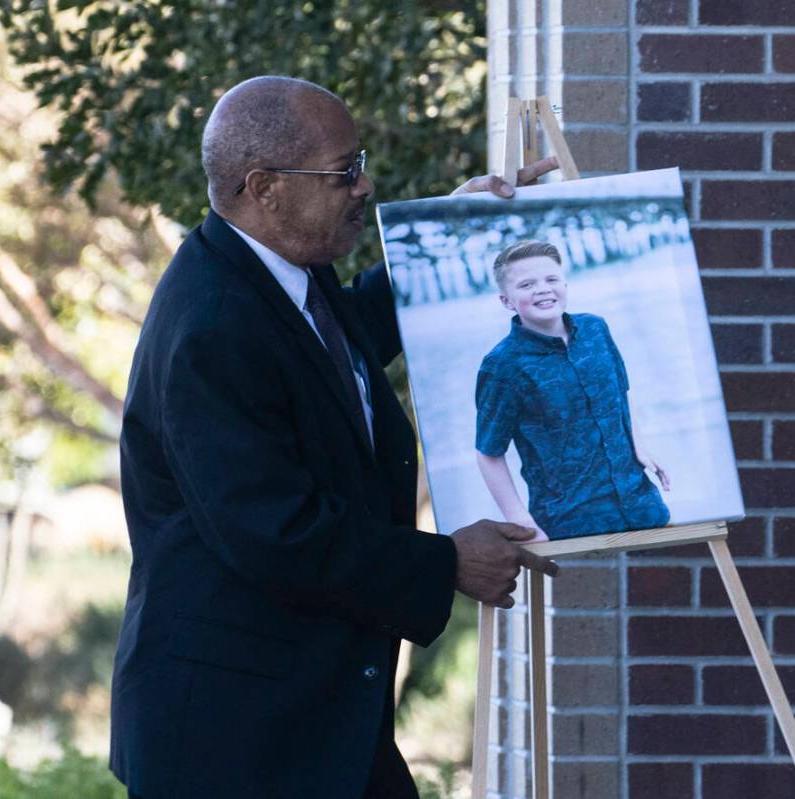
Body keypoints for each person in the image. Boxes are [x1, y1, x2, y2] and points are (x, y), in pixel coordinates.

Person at [109, 76, 560, 799]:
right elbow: (274, 530)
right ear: (265, 187)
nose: (364, 185)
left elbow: (340, 345)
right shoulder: (212, 325)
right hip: (235, 742)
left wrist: (453, 230)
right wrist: (444, 562)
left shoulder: (275, 274)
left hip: (304, 721)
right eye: (343, 172)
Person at [475, 240, 671, 542]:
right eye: (527, 284)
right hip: (569, 522)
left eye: (551, 279)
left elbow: (621, 394)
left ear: (564, 283)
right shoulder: (502, 366)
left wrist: (639, 446)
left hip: (643, 506)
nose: (543, 289)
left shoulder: (596, 329)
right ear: (506, 300)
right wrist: (523, 525)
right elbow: (489, 452)